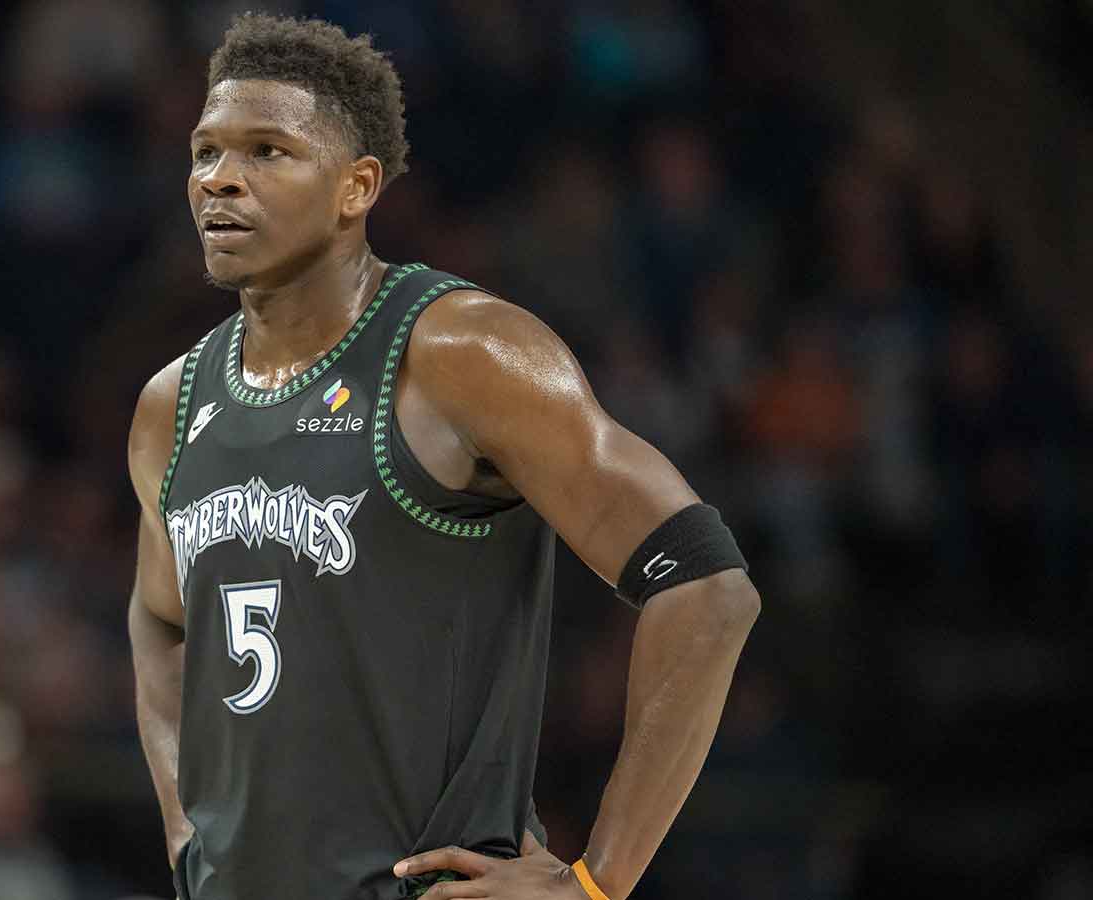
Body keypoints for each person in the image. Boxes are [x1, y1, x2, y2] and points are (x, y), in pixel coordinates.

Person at [126, 14, 760, 900]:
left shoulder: (458, 353)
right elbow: (158, 620)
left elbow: (707, 587)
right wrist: (183, 828)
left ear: (356, 188)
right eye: (205, 152)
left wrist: (595, 881)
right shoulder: (171, 404)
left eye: (267, 151)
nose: (220, 180)